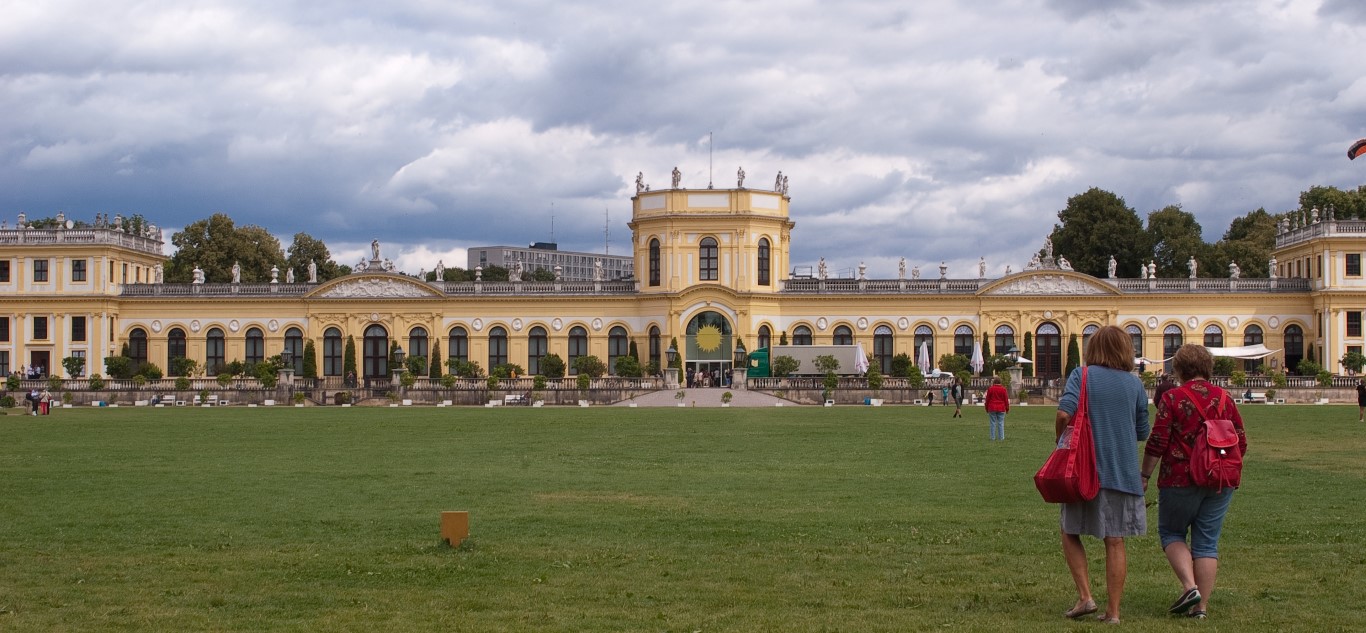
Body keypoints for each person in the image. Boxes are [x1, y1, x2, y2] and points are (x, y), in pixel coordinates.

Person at [1142, 344, 1247, 620]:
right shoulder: (1225, 398)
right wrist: (1220, 463)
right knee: (1207, 543)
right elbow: (1241, 441)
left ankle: (1190, 588)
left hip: (1179, 478)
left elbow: (1158, 442)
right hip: (1219, 480)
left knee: (1171, 533)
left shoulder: (1174, 398)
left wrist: (1144, 476)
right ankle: (1201, 609)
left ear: (1179, 369)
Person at [1056, 325, 1150, 624]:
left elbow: (1063, 413)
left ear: (1092, 349)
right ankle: (1114, 612)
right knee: (1115, 540)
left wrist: (1062, 443)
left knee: (1070, 530)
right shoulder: (1135, 385)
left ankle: (1085, 596)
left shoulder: (1082, 376)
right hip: (1122, 470)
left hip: (1084, 468)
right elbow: (1142, 431)